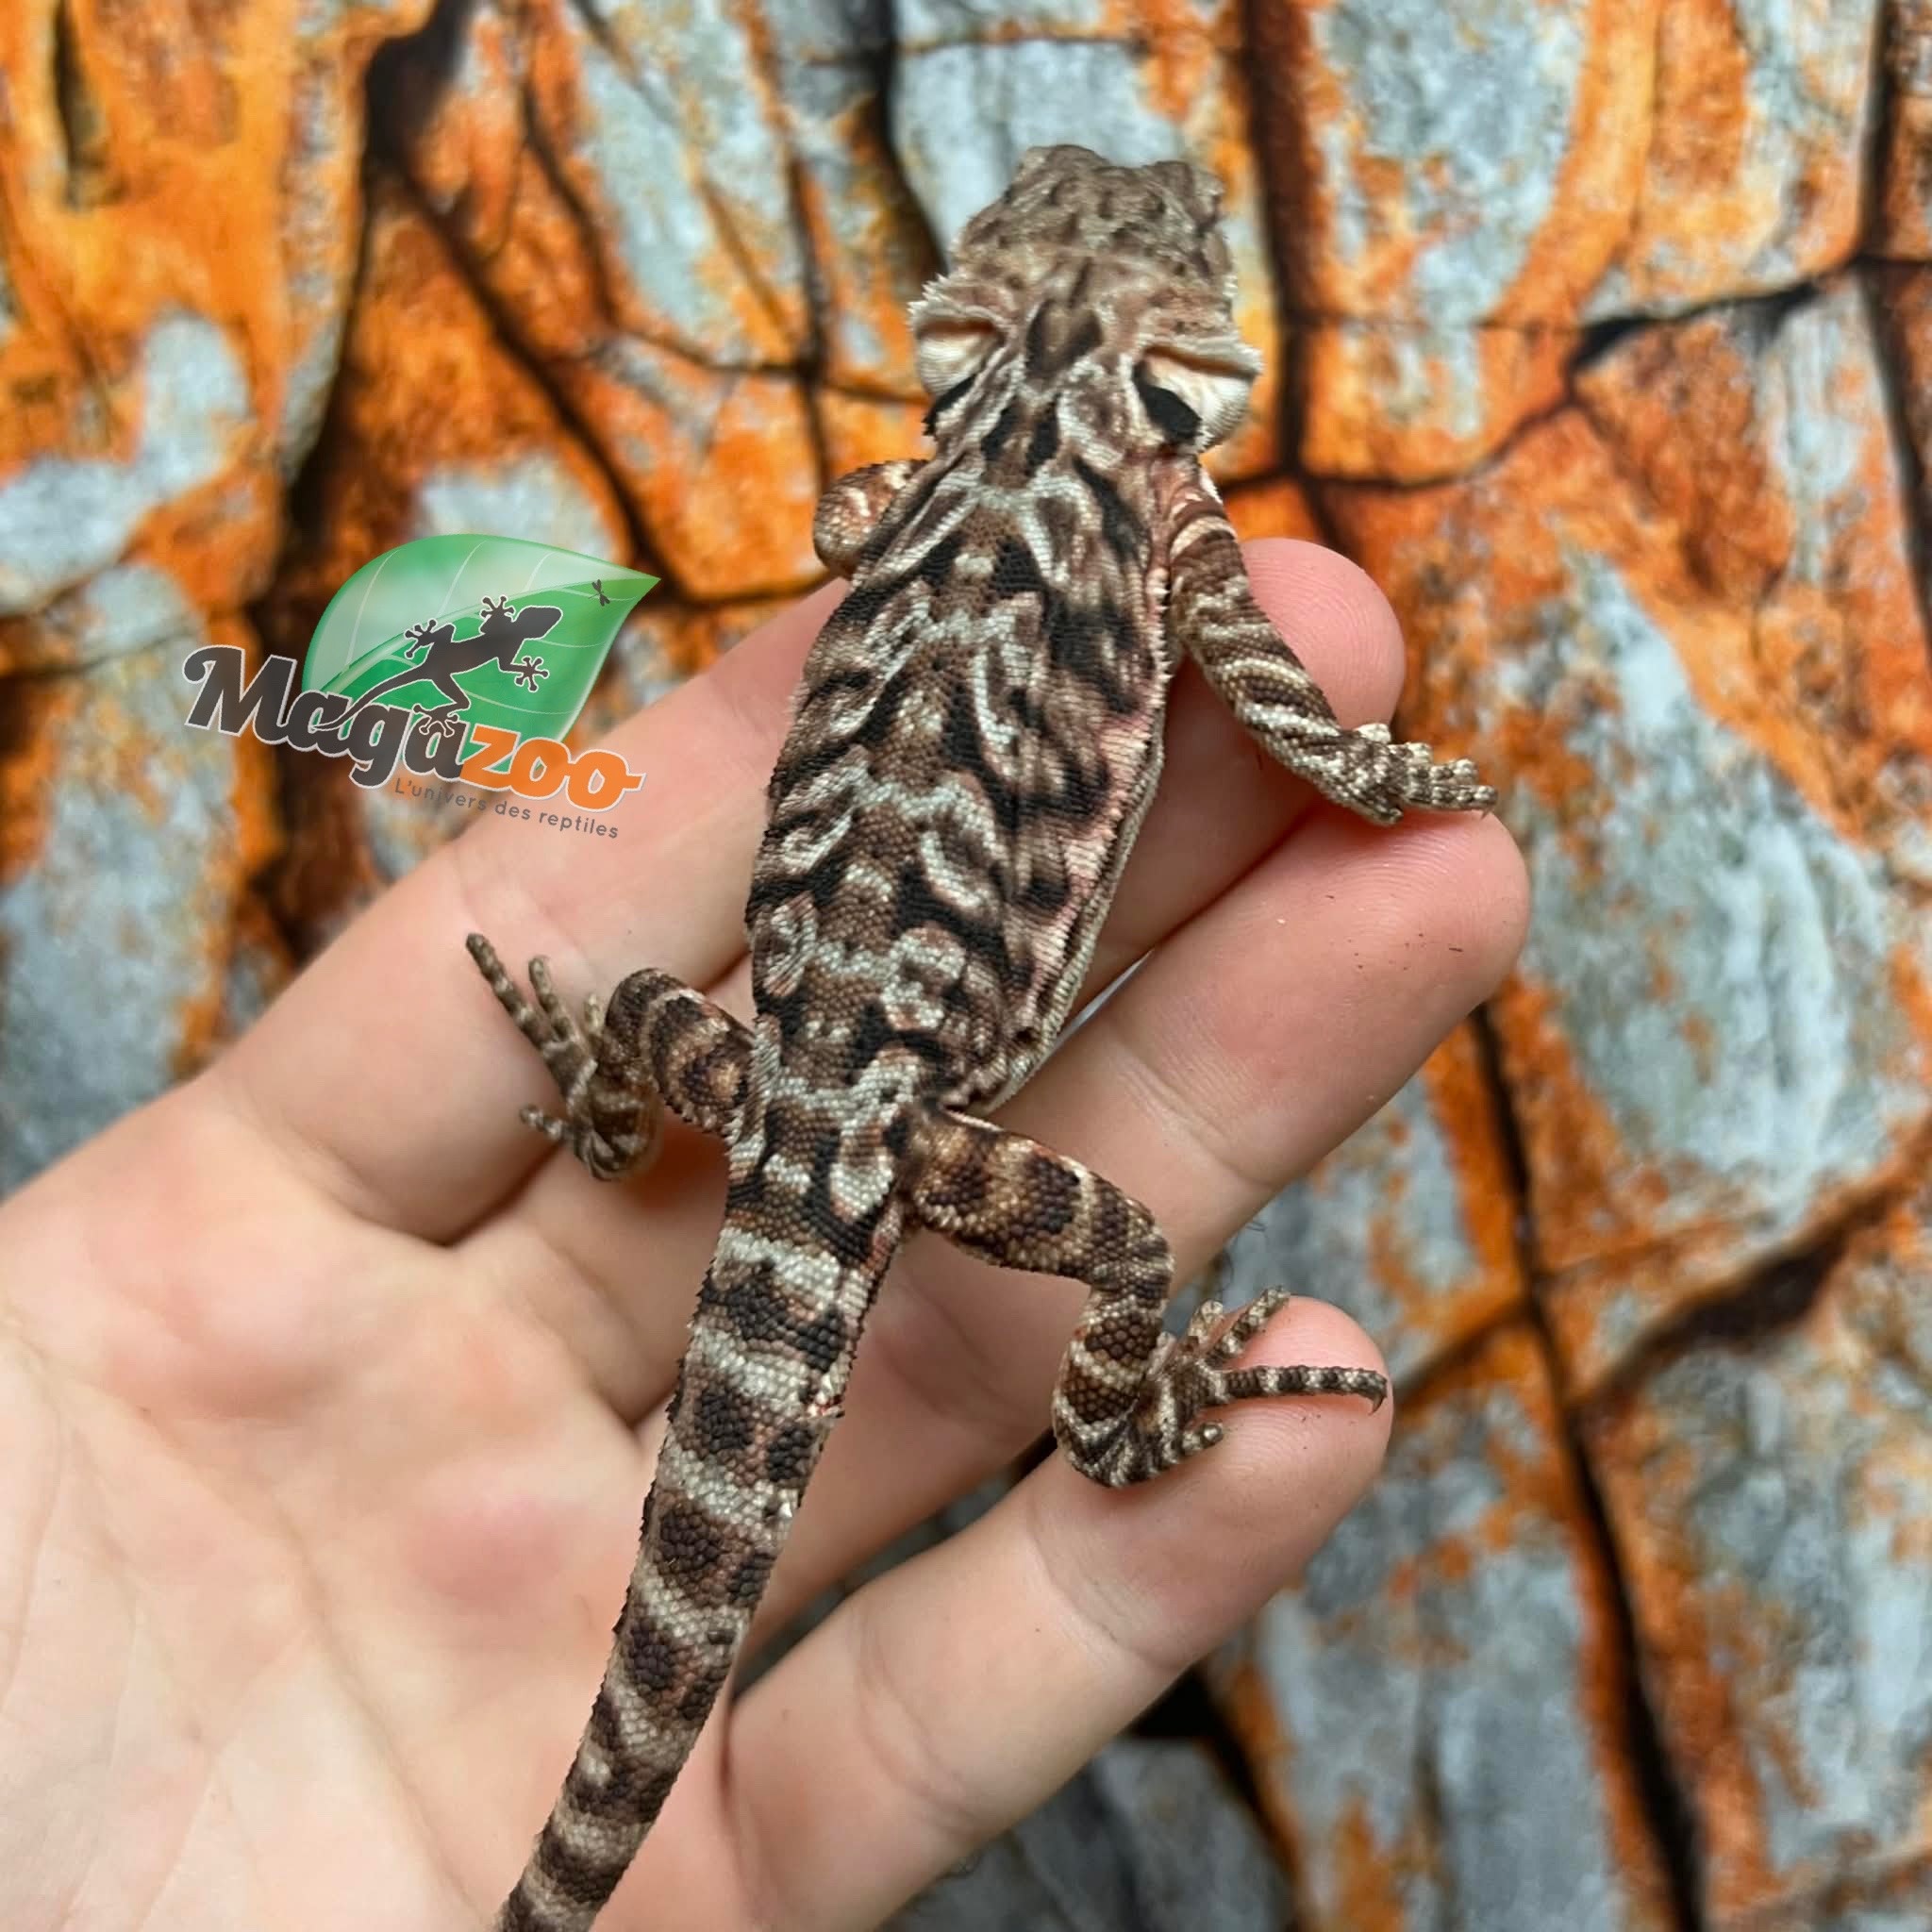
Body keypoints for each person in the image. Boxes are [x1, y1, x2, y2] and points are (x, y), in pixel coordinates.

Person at [0, 541, 1527, 1928]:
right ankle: (1115, 1427)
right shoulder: (1119, 529)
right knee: (1116, 1249)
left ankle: (649, 1144)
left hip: (811, 1096)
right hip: (851, 1111)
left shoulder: (1039, 522)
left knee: (670, 1022)